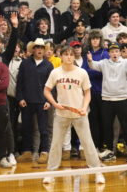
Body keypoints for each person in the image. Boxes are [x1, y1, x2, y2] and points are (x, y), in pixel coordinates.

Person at [43, 45, 105, 184]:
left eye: (71, 54)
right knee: (56, 144)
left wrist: (84, 107)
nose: (69, 57)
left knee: (88, 144)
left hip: (79, 114)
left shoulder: (82, 72)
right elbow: (46, 91)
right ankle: (50, 173)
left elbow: (87, 93)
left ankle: (97, 172)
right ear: (61, 56)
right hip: (61, 114)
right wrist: (54, 103)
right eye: (66, 54)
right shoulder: (55, 73)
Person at [87, 43, 127, 162]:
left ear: (120, 52)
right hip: (107, 99)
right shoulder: (104, 63)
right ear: (109, 53)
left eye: (116, 51)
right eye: (112, 51)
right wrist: (89, 60)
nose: (114, 53)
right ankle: (109, 151)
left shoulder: (125, 63)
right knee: (107, 126)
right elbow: (94, 65)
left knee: (125, 126)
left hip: (122, 98)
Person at [16, 38, 53, 163]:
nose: (39, 50)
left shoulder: (48, 65)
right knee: (26, 127)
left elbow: (52, 85)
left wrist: (49, 101)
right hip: (27, 101)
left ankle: (44, 152)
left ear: (44, 50)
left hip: (43, 102)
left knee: (43, 129)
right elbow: (19, 82)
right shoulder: (25, 63)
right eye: (37, 47)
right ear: (33, 49)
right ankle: (26, 152)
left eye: (42, 48)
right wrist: (20, 97)